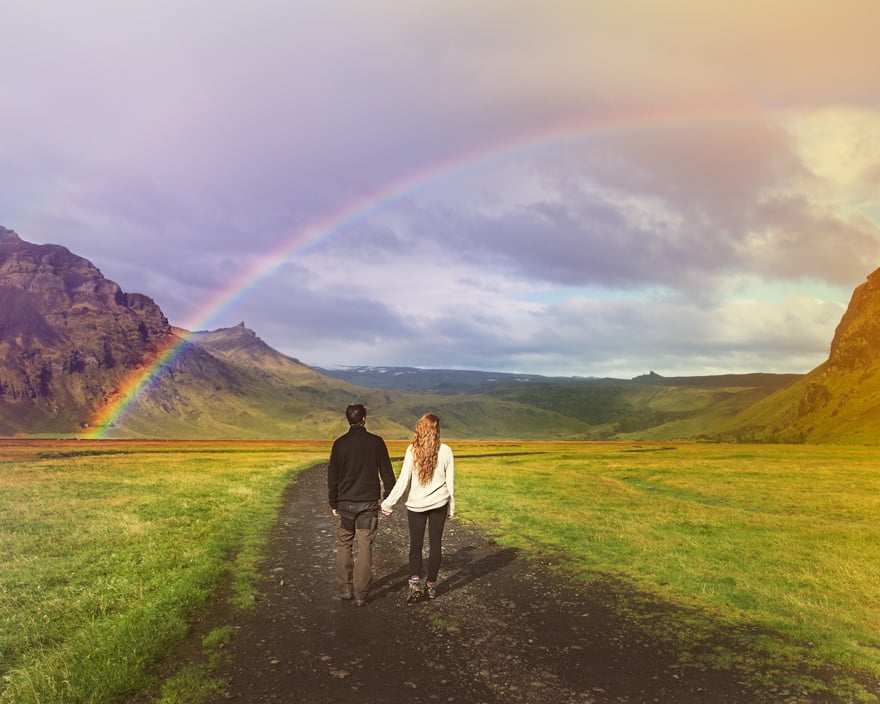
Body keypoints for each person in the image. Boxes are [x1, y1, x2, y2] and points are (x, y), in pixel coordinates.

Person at [381, 412, 454, 604]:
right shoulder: (446, 450)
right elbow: (450, 482)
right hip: (439, 503)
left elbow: (403, 481)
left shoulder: (412, 450)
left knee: (416, 545)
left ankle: (415, 585)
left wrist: (388, 503)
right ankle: (431, 585)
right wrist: (451, 507)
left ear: (420, 428)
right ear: (437, 430)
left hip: (416, 505)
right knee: (435, 544)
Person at [327, 403, 396, 606]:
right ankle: (361, 594)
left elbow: (333, 477)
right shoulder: (376, 442)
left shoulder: (339, 444)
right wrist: (388, 499)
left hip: (345, 504)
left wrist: (333, 502)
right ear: (364, 419)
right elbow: (387, 474)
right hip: (368, 504)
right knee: (365, 546)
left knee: (344, 544)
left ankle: (345, 589)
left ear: (348, 419)